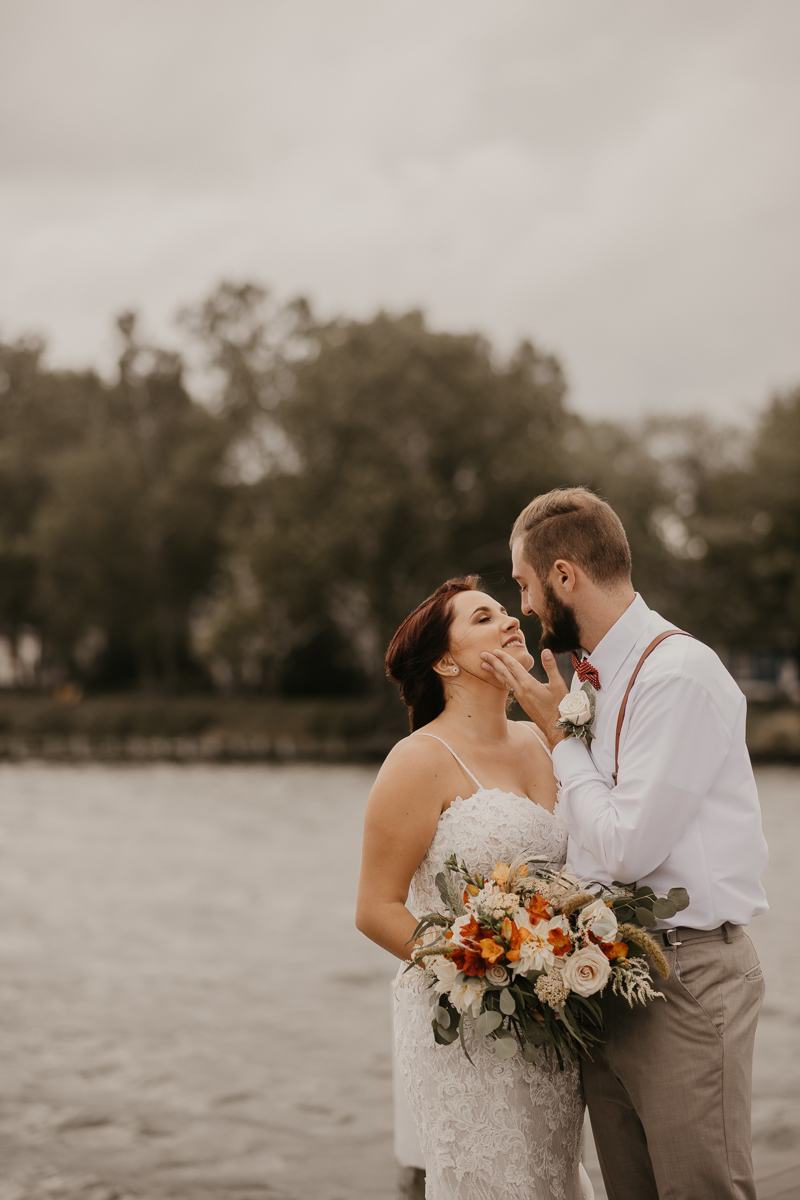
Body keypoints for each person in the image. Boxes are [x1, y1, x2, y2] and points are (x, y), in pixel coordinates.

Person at [480, 486, 768, 1200]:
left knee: (702, 1191)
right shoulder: (589, 682)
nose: (524, 610)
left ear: (564, 575)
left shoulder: (679, 677)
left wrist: (557, 738)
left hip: (688, 983)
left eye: (524, 586)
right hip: (605, 981)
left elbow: (628, 848)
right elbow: (587, 841)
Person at [356, 577, 593, 1200]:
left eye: (506, 612)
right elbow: (375, 909)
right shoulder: (418, 759)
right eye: (484, 618)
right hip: (466, 1021)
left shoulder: (544, 739)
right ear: (445, 660)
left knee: (553, 1175)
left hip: (554, 1009)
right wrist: (480, 969)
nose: (511, 621)